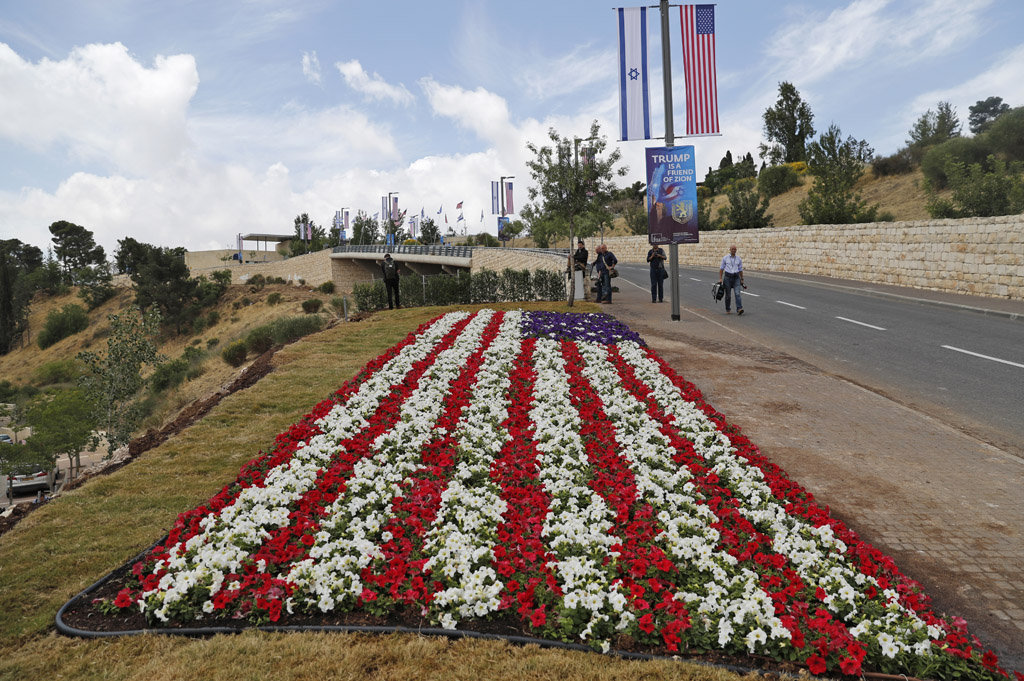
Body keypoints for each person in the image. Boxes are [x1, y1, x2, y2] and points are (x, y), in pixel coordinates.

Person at [718, 244, 747, 315]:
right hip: (727, 277)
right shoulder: (725, 258)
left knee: (737, 293)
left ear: (736, 250)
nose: (734, 250)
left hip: (736, 277)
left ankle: (739, 308)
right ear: (730, 250)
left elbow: (740, 269)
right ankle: (728, 308)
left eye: (735, 249)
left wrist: (742, 279)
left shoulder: (738, 259)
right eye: (732, 249)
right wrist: (720, 279)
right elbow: (721, 269)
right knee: (728, 295)